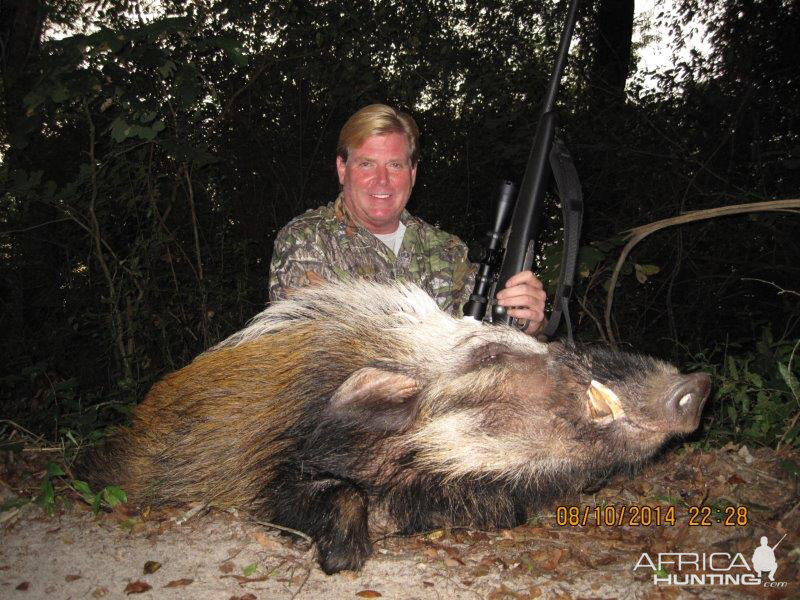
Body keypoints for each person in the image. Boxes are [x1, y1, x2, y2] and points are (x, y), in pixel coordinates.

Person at [268, 104, 546, 335]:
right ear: (342, 169)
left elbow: (494, 338)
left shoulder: (449, 252)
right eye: (367, 164)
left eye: (395, 165)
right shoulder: (306, 241)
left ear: (413, 172)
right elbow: (309, 358)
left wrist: (528, 322)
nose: (382, 180)